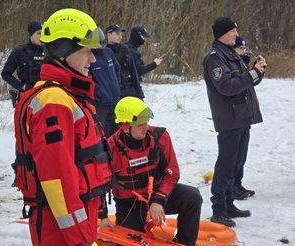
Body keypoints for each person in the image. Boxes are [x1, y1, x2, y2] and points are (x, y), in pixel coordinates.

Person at [13, 8, 111, 245]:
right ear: (62, 52)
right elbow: (57, 182)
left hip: (77, 222)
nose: (93, 59)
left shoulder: (67, 96)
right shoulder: (54, 102)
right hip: (62, 230)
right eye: (86, 51)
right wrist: (80, 240)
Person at [103, 96, 203, 246]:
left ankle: (185, 243)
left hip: (156, 195)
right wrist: (102, 215)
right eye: (139, 124)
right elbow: (98, 185)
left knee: (192, 197)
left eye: (146, 122)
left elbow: (172, 172)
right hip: (130, 205)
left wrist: (158, 200)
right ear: (125, 126)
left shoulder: (159, 137)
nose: (145, 127)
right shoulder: (110, 149)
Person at [202, 17, 267, 227]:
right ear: (222, 33)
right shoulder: (214, 58)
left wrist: (258, 71)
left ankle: (229, 204)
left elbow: (245, 82)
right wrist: (252, 73)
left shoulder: (230, 53)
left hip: (241, 117)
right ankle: (218, 209)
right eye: (233, 32)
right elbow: (227, 87)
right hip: (229, 119)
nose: (236, 35)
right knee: (226, 164)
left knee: (236, 163)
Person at [233, 36, 255, 200]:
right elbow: (235, 86)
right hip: (234, 116)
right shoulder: (230, 65)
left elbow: (250, 83)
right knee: (234, 156)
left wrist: (257, 70)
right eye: (241, 49)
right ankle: (232, 187)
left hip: (244, 115)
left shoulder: (241, 63)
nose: (244, 51)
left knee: (242, 154)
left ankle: (237, 184)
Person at [1, 21, 44, 106]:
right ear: (31, 35)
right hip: (27, 96)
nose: (42, 36)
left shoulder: (50, 52)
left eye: (44, 33)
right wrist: (22, 86)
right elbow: (5, 73)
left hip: (47, 95)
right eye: (39, 33)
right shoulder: (19, 52)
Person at [106, 24, 145, 99]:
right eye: (117, 34)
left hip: (126, 91)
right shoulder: (102, 51)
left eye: (121, 35)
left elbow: (134, 72)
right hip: (109, 93)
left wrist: (139, 93)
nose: (120, 37)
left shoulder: (125, 50)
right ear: (109, 34)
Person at [89, 47, 121, 137]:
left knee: (117, 131)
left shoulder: (108, 52)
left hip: (115, 100)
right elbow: (87, 78)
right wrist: (98, 93)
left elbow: (117, 69)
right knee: (101, 133)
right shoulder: (88, 54)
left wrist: (117, 86)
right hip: (100, 103)